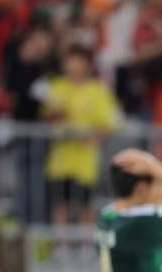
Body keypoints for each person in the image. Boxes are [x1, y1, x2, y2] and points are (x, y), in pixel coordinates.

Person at [42, 46, 122, 226]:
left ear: (87, 64)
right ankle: (61, 248)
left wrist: (95, 135)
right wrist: (54, 114)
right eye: (68, 61)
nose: (71, 65)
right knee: (59, 204)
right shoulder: (57, 86)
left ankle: (86, 249)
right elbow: (44, 116)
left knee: (85, 204)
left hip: (85, 161)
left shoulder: (97, 90)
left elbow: (114, 121)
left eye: (76, 61)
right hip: (59, 160)